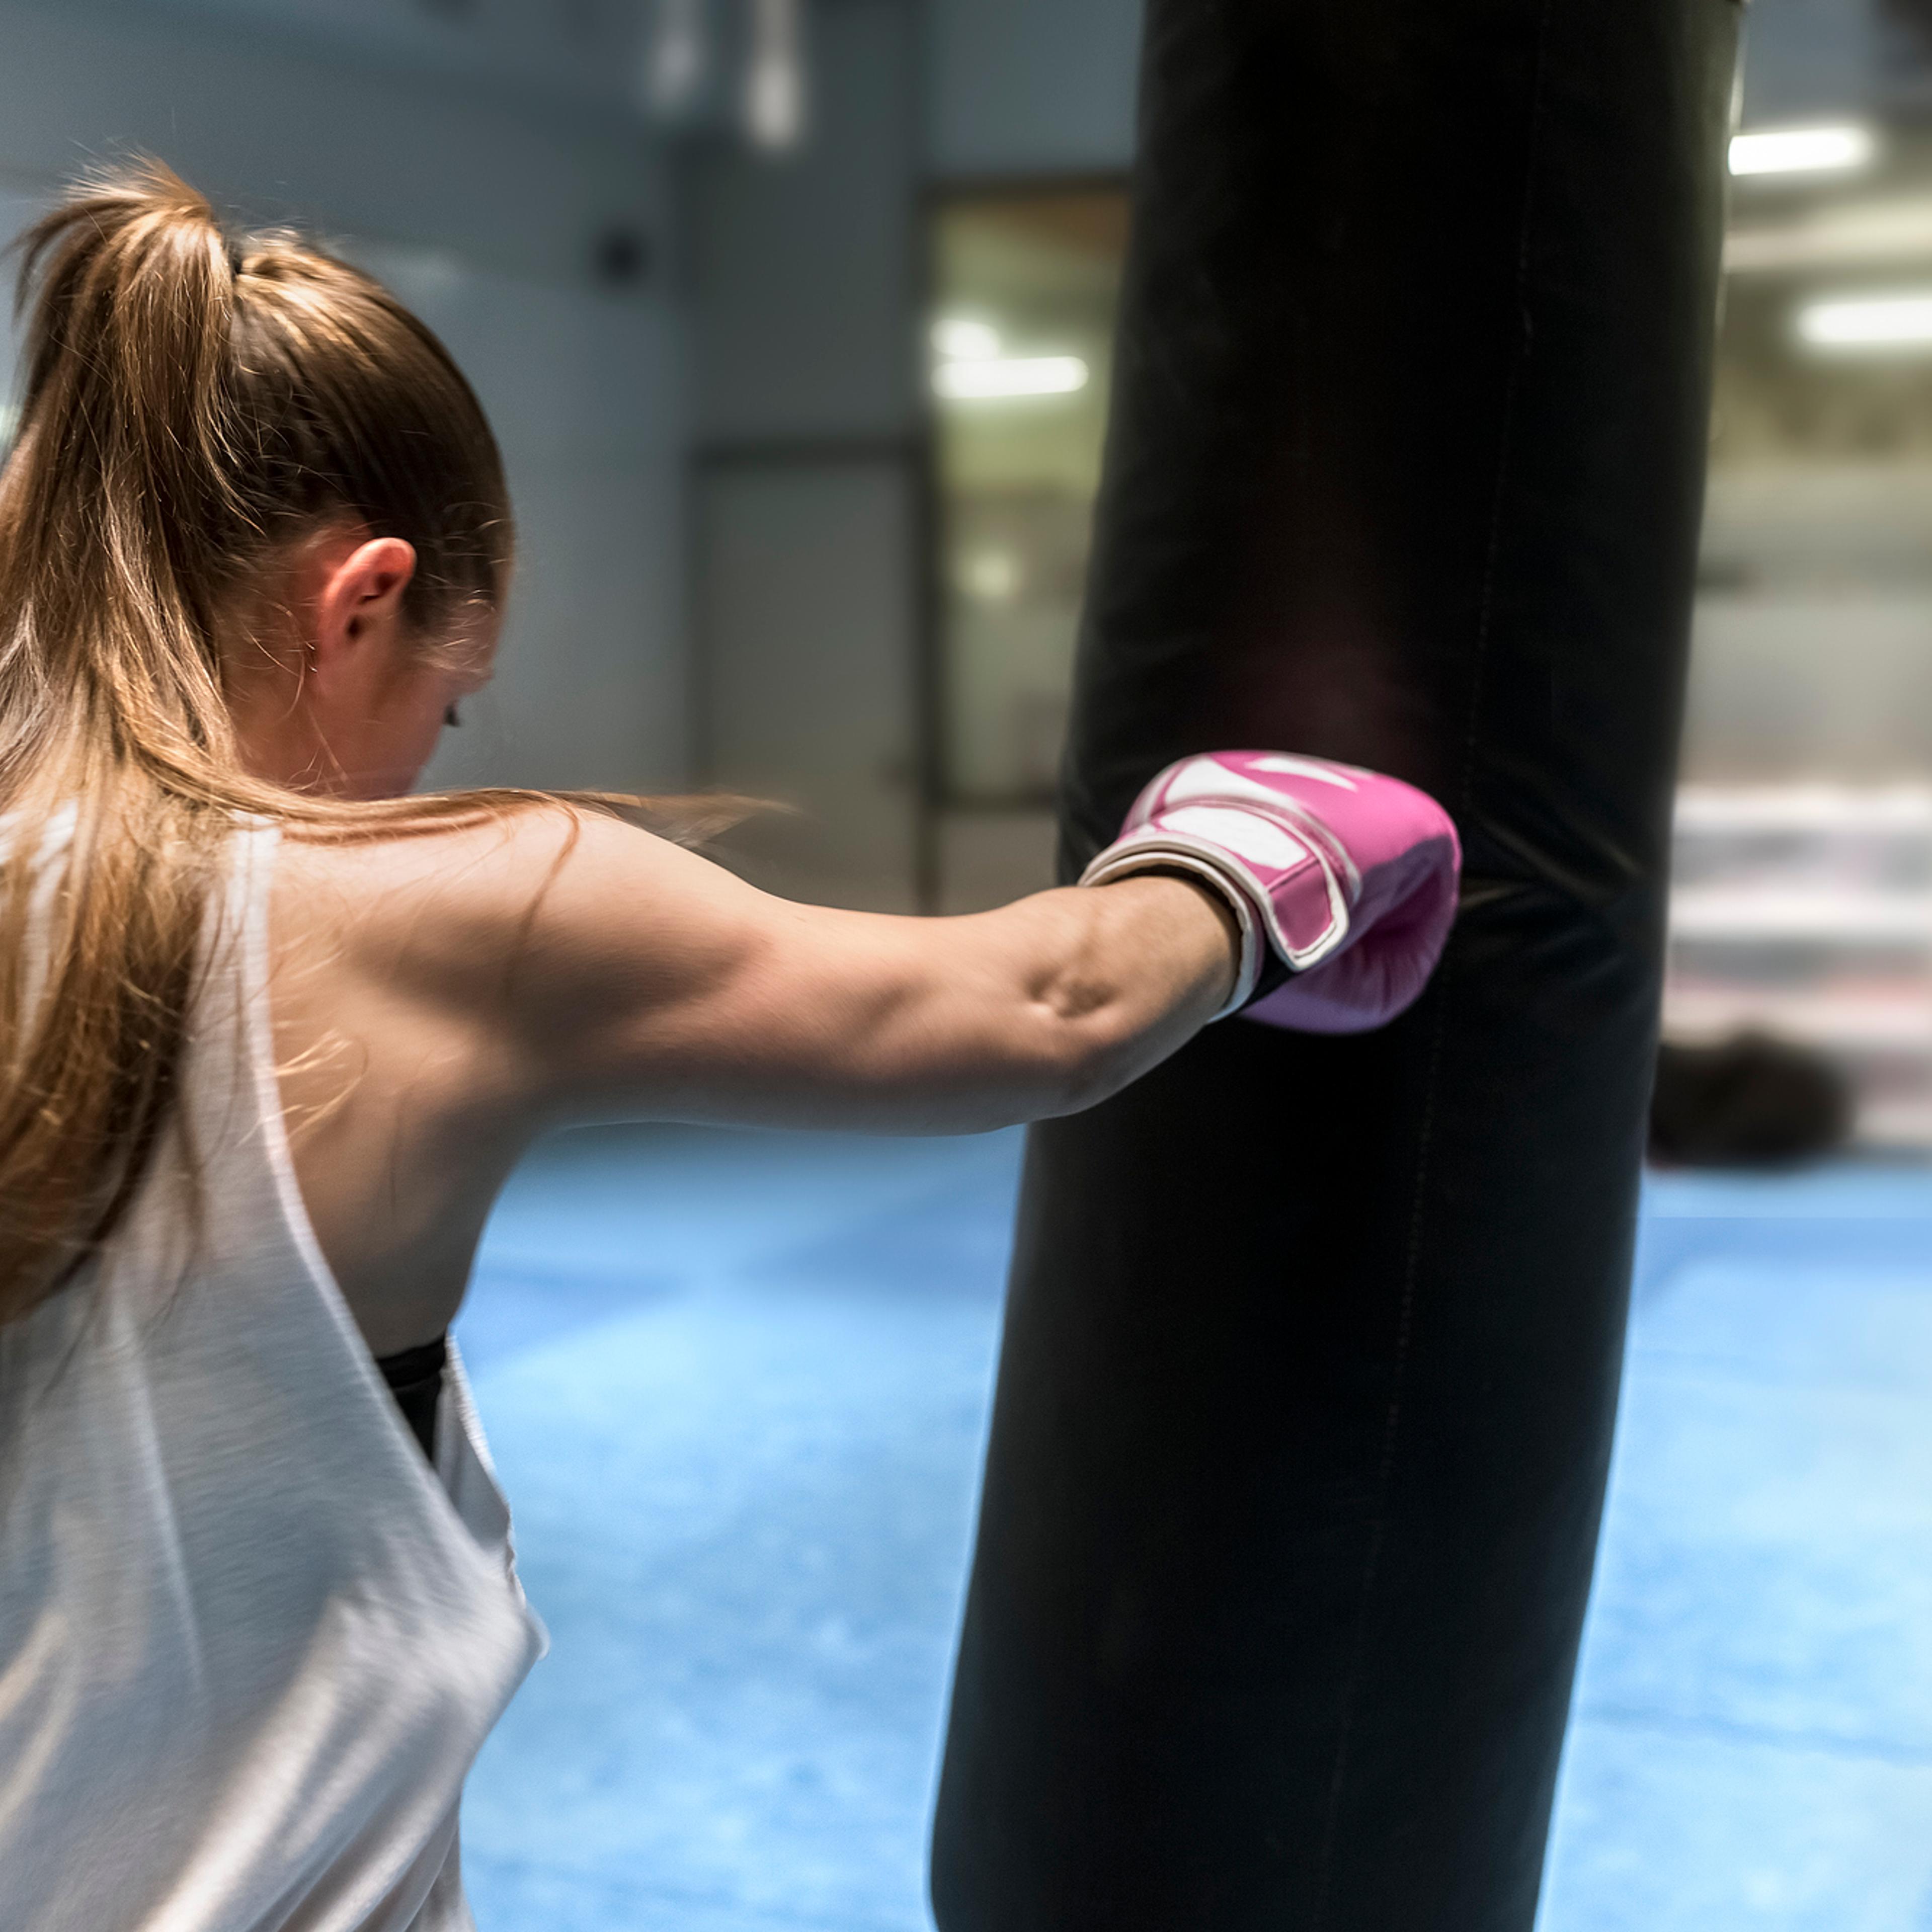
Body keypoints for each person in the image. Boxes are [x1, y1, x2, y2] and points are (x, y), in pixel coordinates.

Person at [0, 164, 1458, 1932]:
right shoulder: (439, 902)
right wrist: (1262, 860)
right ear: (359, 601)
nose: (424, 768)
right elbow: (1043, 1007)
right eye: (439, 708)